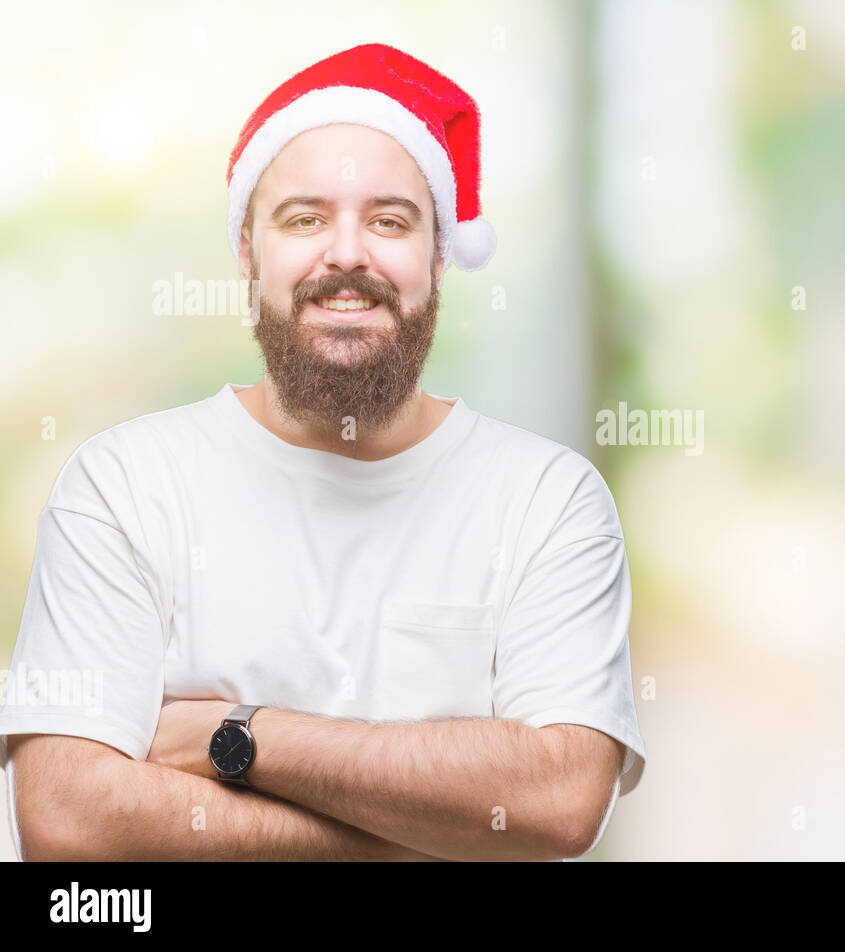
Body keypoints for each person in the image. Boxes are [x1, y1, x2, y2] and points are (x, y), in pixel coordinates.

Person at [0, 43, 645, 862]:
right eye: (304, 219)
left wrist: (237, 738)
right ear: (247, 251)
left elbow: (557, 801)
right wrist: (414, 834)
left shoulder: (547, 500)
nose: (347, 254)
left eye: (389, 220)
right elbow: (66, 820)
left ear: (440, 256)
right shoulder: (124, 485)